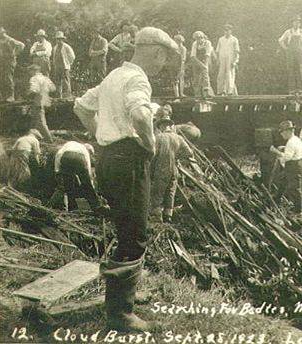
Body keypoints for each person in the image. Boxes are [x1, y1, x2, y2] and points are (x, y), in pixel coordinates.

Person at [73, 26, 179, 332]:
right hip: (128, 161)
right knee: (135, 234)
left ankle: (120, 300)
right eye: (163, 59)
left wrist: (98, 134)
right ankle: (121, 313)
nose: (162, 66)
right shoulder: (137, 78)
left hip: (107, 160)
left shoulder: (113, 76)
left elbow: (80, 106)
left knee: (125, 229)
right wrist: (150, 143)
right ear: (157, 52)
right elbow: (139, 115)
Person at [150, 117, 193, 223]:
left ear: (161, 126)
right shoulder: (178, 138)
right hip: (174, 168)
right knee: (170, 191)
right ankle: (168, 216)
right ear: (170, 126)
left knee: (157, 192)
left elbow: (153, 155)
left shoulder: (158, 138)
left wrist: (151, 169)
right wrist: (177, 157)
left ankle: (157, 217)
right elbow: (190, 153)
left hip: (161, 168)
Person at [50, 141, 105, 213]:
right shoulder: (85, 150)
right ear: (89, 150)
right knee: (86, 184)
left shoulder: (69, 144)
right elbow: (88, 166)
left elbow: (59, 155)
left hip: (66, 157)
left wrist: (57, 170)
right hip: (79, 157)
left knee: (69, 185)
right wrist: (90, 180)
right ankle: (96, 206)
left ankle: (72, 207)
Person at [270, 120, 302, 215]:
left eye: (282, 132)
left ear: (287, 131)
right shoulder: (296, 139)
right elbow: (292, 151)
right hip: (297, 164)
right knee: (282, 182)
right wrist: (284, 148)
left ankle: (299, 211)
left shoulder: (291, 142)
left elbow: (287, 157)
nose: (281, 135)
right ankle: (276, 200)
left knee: (294, 189)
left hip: (293, 166)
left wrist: (275, 151)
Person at [278, 16, 302, 94]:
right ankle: (292, 89)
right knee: (291, 69)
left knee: (300, 70)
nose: (296, 24)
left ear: (300, 24)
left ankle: (300, 89)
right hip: (290, 53)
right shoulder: (288, 32)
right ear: (292, 23)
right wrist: (285, 48)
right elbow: (280, 40)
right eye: (295, 22)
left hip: (300, 53)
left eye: (298, 22)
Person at [28, 64, 56, 142]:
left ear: (33, 71)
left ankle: (49, 139)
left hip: (38, 101)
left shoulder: (33, 78)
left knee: (40, 121)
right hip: (46, 101)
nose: (29, 73)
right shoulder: (45, 78)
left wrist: (28, 94)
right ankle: (37, 137)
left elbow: (34, 90)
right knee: (35, 119)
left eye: (30, 71)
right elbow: (53, 88)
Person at [0, 27, 25, 102]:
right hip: (2, 61)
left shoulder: (9, 40)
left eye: (2, 33)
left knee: (8, 77)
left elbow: (22, 45)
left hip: (9, 61)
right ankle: (4, 96)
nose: (1, 35)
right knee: (2, 77)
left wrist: (15, 54)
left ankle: (11, 95)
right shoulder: (0, 40)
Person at [216, 24, 240, 96]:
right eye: (225, 30)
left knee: (230, 74)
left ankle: (229, 91)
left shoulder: (234, 39)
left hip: (230, 58)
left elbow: (236, 51)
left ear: (231, 31)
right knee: (221, 74)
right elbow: (217, 50)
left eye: (228, 30)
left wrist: (235, 61)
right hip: (222, 58)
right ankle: (220, 91)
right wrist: (218, 60)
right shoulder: (221, 39)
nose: (226, 32)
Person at [190, 31, 215, 98]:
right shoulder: (195, 44)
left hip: (205, 60)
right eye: (197, 38)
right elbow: (193, 56)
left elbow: (207, 55)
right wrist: (200, 64)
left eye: (200, 38)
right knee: (196, 77)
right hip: (196, 61)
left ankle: (207, 93)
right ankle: (197, 94)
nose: (198, 40)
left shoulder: (208, 43)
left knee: (205, 75)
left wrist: (205, 66)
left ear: (203, 37)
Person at [51, 31, 75, 98]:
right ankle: (59, 96)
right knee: (58, 81)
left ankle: (67, 96)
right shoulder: (55, 47)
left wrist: (68, 63)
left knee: (66, 82)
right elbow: (54, 57)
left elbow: (72, 56)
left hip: (64, 67)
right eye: (57, 39)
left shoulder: (66, 47)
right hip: (57, 67)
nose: (58, 41)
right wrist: (55, 64)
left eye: (60, 39)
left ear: (62, 39)